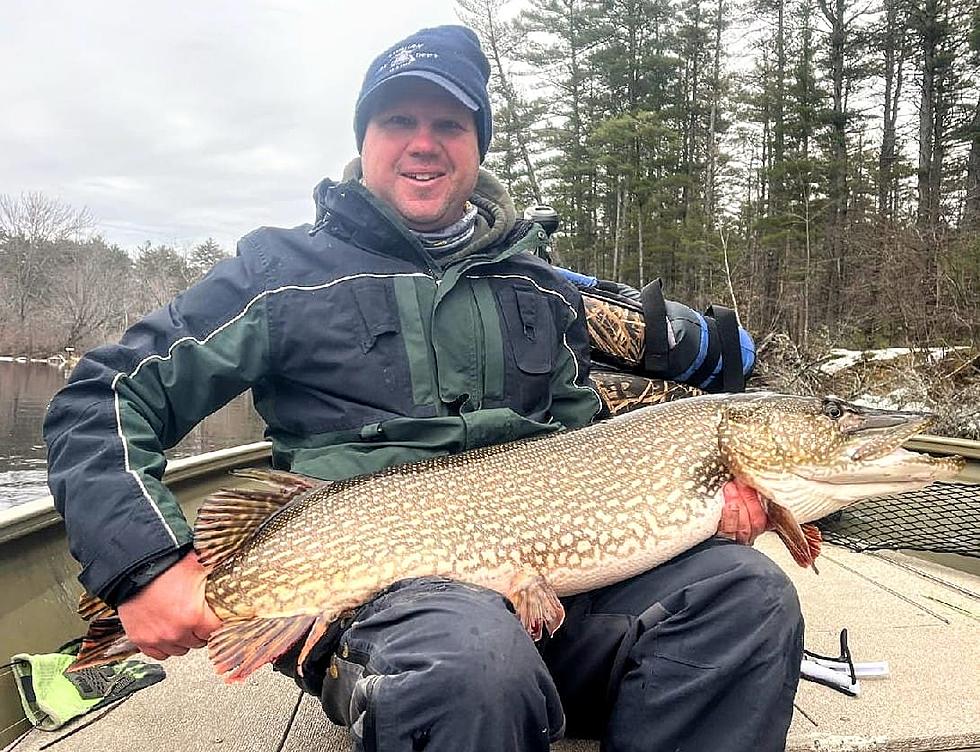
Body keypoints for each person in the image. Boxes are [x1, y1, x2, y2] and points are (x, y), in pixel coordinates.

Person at [44, 25, 802, 752]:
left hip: (552, 589)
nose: (423, 141)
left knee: (747, 599)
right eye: (397, 118)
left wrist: (710, 511)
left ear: (477, 145)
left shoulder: (540, 286)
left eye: (449, 122)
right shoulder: (279, 274)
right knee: (470, 662)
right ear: (364, 139)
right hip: (378, 611)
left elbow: (582, 445)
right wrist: (144, 567)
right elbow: (103, 397)